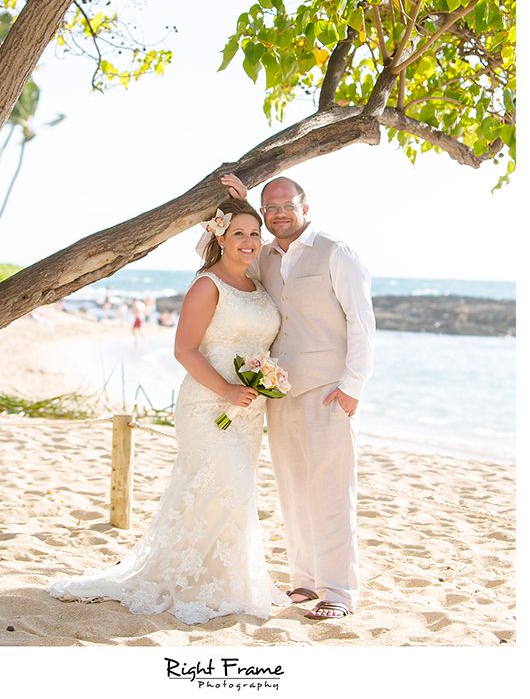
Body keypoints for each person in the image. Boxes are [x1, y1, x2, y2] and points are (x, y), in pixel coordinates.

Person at [47, 198, 289, 624]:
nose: (249, 241)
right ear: (219, 237)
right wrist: (227, 390)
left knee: (232, 494)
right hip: (208, 405)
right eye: (239, 233)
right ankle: (188, 582)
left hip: (248, 411)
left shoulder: (259, 287)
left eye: (255, 233)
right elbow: (185, 350)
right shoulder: (207, 286)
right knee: (222, 484)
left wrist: (262, 381)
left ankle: (224, 582)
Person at [222, 172, 375, 621]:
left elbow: (361, 323)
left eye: (287, 205)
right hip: (281, 391)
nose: (279, 214)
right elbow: (221, 258)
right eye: (270, 208)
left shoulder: (336, 252)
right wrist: (238, 208)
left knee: (331, 490)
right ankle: (305, 581)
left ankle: (339, 591)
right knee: (293, 489)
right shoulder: (263, 257)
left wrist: (352, 387)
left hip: (330, 391)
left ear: (305, 208)